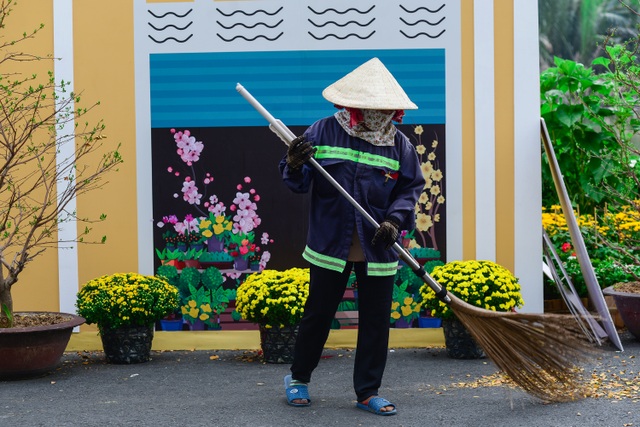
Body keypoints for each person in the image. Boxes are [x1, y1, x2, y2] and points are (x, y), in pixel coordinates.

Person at [278, 57, 425, 416]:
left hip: (379, 246)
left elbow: (410, 188)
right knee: (318, 313)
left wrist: (394, 220)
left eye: (384, 109)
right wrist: (295, 162)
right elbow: (297, 183)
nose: (378, 115)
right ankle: (298, 378)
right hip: (331, 244)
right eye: (371, 108)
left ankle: (368, 391)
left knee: (375, 321)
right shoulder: (321, 133)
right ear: (353, 105)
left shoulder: (399, 146)